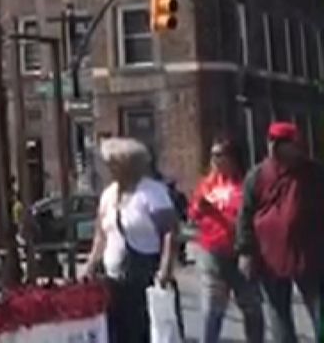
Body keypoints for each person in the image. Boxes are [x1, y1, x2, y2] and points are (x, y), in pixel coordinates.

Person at [81, 137, 178, 343]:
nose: (108, 168)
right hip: (113, 278)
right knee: (117, 331)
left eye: (112, 163)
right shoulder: (108, 195)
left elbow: (169, 232)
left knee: (142, 330)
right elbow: (101, 234)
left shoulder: (153, 193)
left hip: (143, 274)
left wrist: (165, 268)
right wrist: (90, 263)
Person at [236, 122, 323, 343]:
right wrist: (245, 251)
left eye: (287, 143)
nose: (276, 146)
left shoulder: (313, 173)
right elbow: (245, 215)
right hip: (270, 256)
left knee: (318, 309)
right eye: (274, 141)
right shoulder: (257, 175)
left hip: (309, 254)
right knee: (278, 312)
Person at [190, 138, 263, 343]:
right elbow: (194, 215)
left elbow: (248, 220)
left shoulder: (245, 185)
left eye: (220, 155)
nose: (215, 160)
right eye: (213, 155)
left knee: (250, 307)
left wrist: (219, 214)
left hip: (239, 252)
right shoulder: (207, 184)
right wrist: (200, 208)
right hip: (211, 253)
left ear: (233, 158)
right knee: (211, 310)